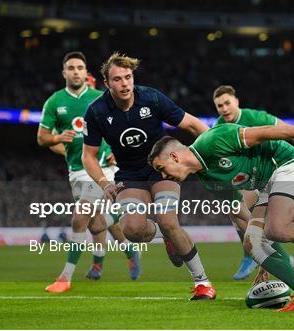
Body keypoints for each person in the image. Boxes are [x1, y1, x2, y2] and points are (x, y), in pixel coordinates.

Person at [148, 120, 294, 312]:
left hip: (288, 165)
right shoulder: (208, 179)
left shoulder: (212, 141)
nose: (163, 175)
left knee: (277, 229)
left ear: (174, 156)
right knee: (253, 242)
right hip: (268, 184)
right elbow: (241, 213)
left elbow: (264, 131)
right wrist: (266, 257)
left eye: (162, 167)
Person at [82, 52, 216, 299]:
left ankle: (203, 283)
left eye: (128, 77)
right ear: (106, 83)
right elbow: (88, 156)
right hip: (130, 175)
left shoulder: (152, 98)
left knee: (169, 221)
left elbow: (193, 125)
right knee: (132, 229)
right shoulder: (97, 112)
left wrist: (216, 150)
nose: (124, 83)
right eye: (117, 79)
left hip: (162, 168)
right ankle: (166, 236)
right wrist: (103, 183)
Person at [38, 51, 141, 293]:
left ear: (86, 72)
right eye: (71, 68)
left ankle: (66, 277)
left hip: (102, 168)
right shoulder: (54, 102)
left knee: (80, 216)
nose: (75, 71)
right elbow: (42, 138)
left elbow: (125, 124)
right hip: (76, 171)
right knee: (96, 225)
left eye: (80, 67)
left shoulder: (101, 98)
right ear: (64, 72)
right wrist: (57, 138)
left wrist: (120, 149)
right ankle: (128, 250)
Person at [213, 85, 294, 280]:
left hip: (278, 173)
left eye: (227, 103)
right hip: (255, 180)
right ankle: (258, 255)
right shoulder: (218, 127)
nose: (224, 108)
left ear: (236, 102)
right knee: (234, 209)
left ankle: (266, 254)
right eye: (219, 105)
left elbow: (286, 130)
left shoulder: (256, 117)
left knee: (269, 224)